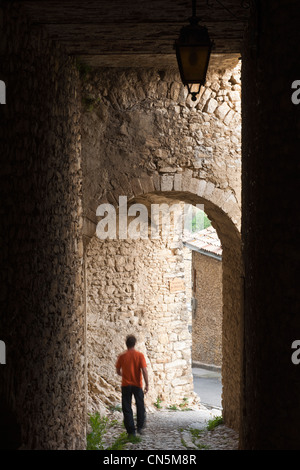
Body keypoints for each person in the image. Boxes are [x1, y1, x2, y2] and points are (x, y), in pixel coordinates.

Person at [115, 335, 149, 437]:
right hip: (137, 385)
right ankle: (139, 427)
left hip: (126, 385)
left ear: (126, 343)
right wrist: (147, 384)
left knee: (127, 407)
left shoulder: (122, 356)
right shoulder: (139, 355)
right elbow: (144, 370)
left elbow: (117, 371)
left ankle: (131, 431)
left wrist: (124, 375)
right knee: (140, 406)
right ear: (135, 343)